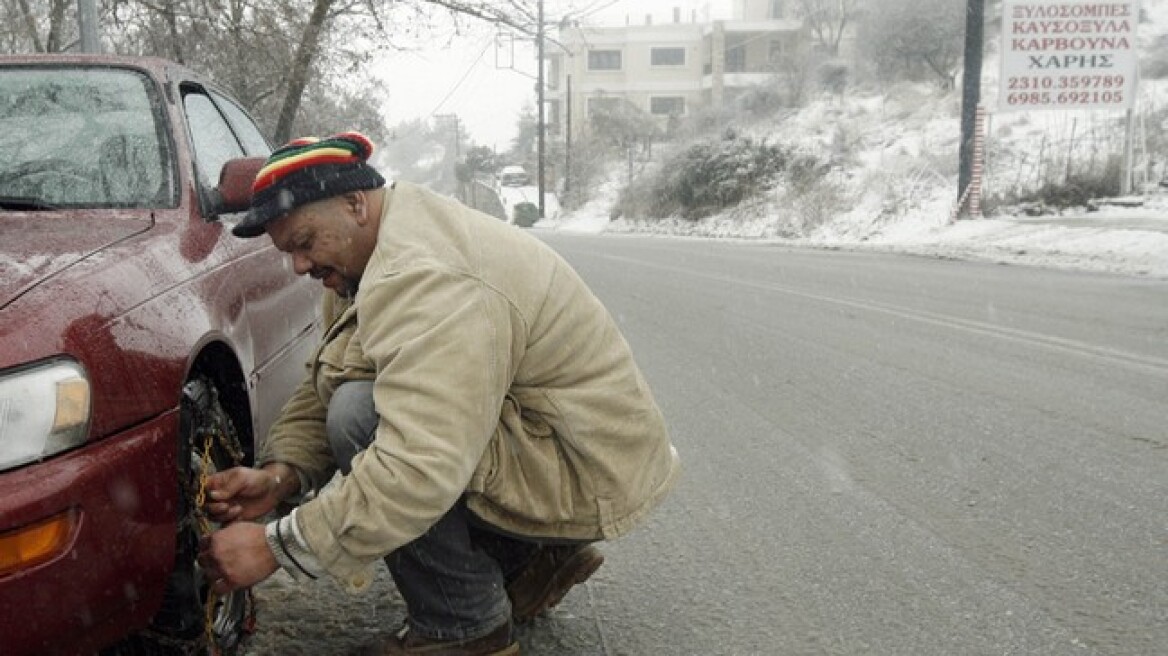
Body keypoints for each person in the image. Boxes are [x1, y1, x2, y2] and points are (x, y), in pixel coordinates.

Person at [197, 132, 681, 656]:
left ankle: (463, 625)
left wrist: (280, 546)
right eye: (287, 251)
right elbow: (332, 373)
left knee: (361, 417)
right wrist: (282, 473)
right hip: (558, 448)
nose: (297, 266)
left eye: (304, 242)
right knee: (357, 401)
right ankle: (524, 559)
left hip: (584, 467)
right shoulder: (372, 254)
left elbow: (420, 465)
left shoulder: (426, 276)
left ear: (356, 204)